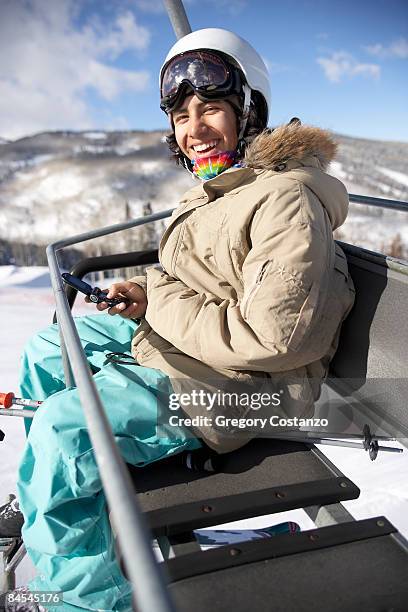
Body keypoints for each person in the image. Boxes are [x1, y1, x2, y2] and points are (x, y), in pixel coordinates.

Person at [1, 28, 354, 612]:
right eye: (182, 115)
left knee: (65, 431)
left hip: (249, 393)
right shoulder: (224, 188)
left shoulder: (284, 199)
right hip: (200, 359)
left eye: (211, 108)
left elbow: (274, 339)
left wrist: (157, 301)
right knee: (50, 344)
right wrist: (144, 293)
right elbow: (206, 283)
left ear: (251, 113)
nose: (194, 129)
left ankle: (89, 602)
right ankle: (69, 505)